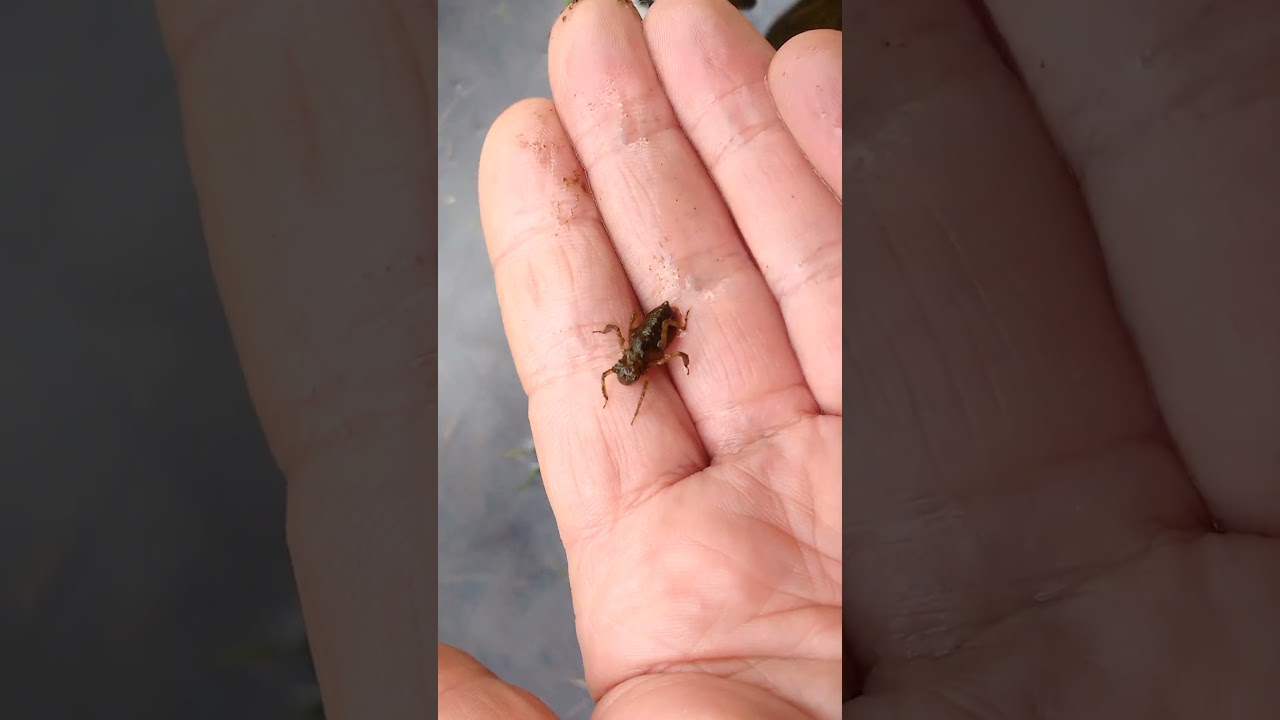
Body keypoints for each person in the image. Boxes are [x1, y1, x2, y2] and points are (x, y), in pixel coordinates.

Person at [155, 0, 1280, 717]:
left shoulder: (658, 345)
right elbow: (635, 347)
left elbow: (649, 339)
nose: (641, 352)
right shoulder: (644, 356)